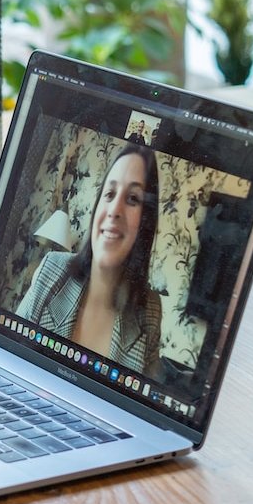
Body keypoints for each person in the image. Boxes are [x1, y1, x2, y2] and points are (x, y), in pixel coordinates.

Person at [15, 142, 164, 376]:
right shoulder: (51, 270)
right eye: (110, 193)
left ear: (145, 221)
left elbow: (140, 405)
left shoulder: (150, 311)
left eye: (133, 198)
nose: (115, 210)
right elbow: (7, 353)